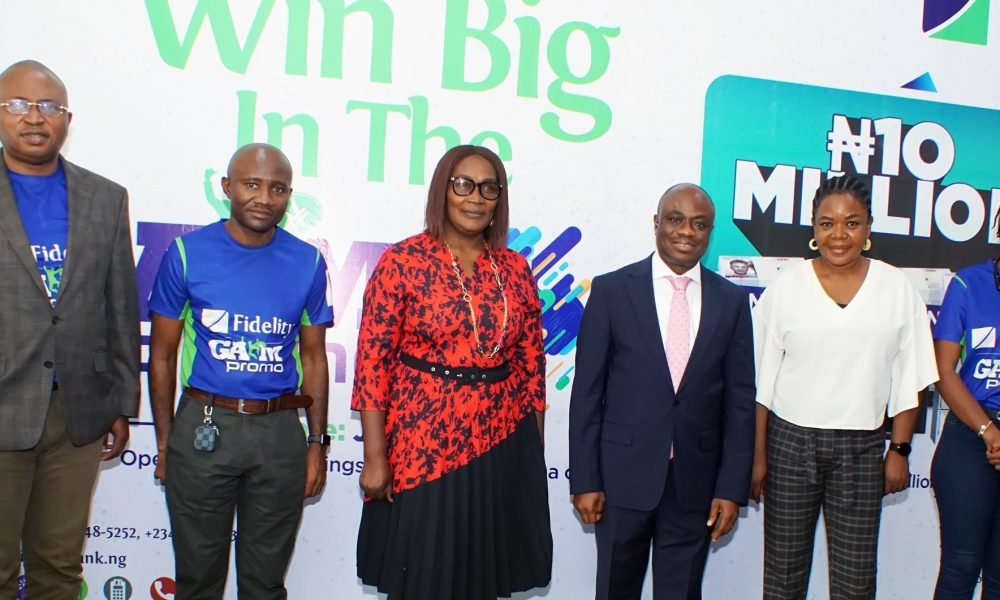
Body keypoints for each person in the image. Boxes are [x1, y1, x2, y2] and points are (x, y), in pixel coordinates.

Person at [352, 144, 552, 600]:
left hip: (499, 441)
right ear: (443, 190)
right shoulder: (402, 261)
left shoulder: (515, 268)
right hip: (423, 443)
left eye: (488, 188)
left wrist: (531, 454)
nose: (475, 197)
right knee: (424, 573)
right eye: (463, 185)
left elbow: (531, 367)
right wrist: (376, 457)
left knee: (481, 575)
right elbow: (372, 365)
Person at [147, 143, 332, 599]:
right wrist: (166, 443)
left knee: (265, 584)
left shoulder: (307, 262)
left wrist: (316, 444)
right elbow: (163, 356)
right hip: (204, 425)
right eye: (252, 184)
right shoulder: (187, 253)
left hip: (279, 433)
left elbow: (313, 358)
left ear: (289, 196)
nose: (264, 198)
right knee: (197, 581)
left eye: (278, 189)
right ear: (227, 187)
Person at [751, 175, 938, 599]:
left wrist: (899, 450)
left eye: (851, 223)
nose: (839, 234)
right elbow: (760, 383)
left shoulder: (896, 288)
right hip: (789, 443)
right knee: (783, 576)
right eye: (827, 223)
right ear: (814, 229)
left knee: (855, 583)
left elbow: (910, 376)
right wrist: (758, 456)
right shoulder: (787, 287)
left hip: (862, 446)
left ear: (868, 227)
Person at [568, 183, 756, 600]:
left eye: (699, 224)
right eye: (675, 219)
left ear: (710, 233)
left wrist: (730, 488)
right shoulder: (612, 290)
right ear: (656, 223)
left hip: (695, 484)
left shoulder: (731, 301)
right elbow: (587, 394)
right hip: (620, 481)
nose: (686, 231)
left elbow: (740, 404)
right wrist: (585, 479)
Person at [0, 60, 140, 599]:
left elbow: (120, 306)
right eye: (19, 104)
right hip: (4, 405)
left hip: (77, 414)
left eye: (49, 106)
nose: (35, 117)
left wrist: (120, 402)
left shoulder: (106, 198)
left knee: (58, 569)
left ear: (67, 119)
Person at [930, 213, 1000, 598]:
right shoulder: (968, 283)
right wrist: (990, 433)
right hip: (971, 437)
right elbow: (943, 370)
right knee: (961, 567)